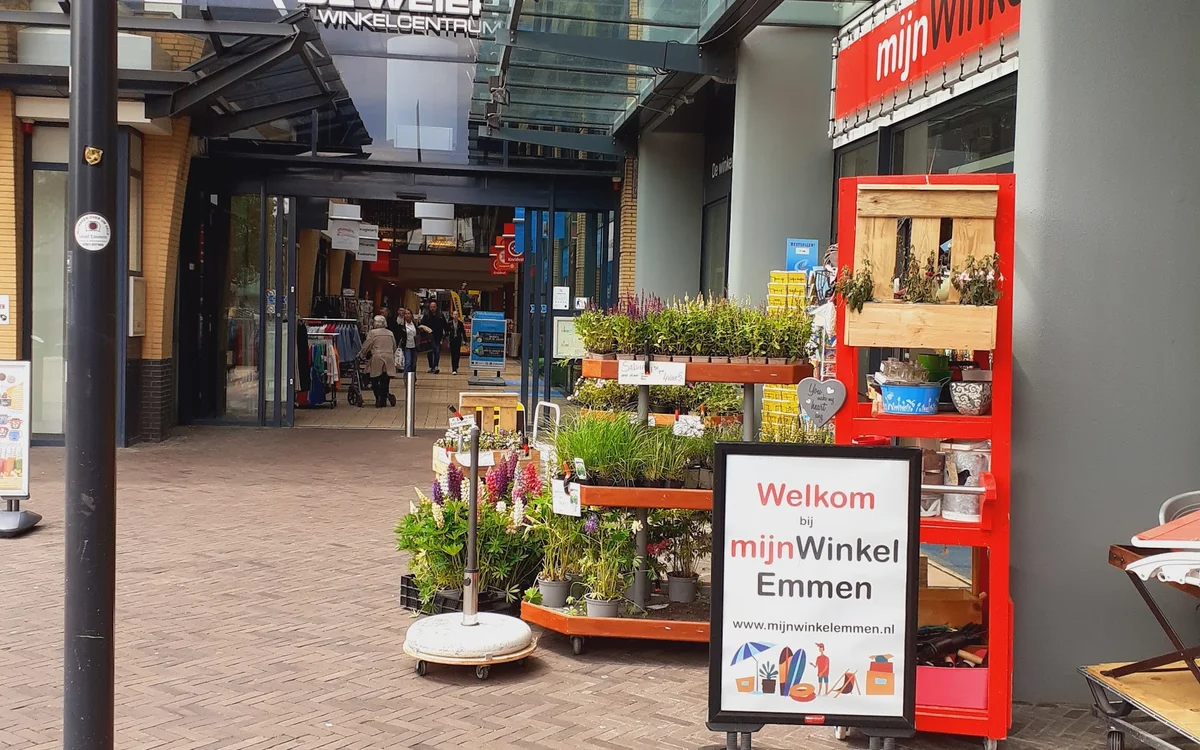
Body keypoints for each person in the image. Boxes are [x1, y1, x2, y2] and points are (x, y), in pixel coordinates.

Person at [358, 315, 397, 408]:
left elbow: (367, 345)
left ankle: (378, 398)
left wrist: (362, 354)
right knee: (385, 379)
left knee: (374, 378)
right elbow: (394, 346)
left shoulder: (372, 333)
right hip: (389, 357)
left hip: (377, 357)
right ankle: (383, 399)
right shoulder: (390, 333)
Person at [420, 300, 447, 374]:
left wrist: (444, 336)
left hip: (437, 337)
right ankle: (431, 366)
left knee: (437, 352)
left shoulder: (440, 315)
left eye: (434, 307)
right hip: (428, 337)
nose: (432, 308)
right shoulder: (426, 315)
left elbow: (445, 325)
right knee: (429, 352)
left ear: (436, 307)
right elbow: (422, 324)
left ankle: (436, 366)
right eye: (431, 307)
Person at [398, 308, 419, 377]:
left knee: (413, 364)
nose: (407, 315)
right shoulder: (402, 325)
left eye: (408, 313)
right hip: (407, 346)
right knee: (408, 363)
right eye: (405, 314)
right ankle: (406, 378)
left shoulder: (415, 324)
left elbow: (418, 333)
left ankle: (412, 378)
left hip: (414, 346)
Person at [447, 309, 466, 376]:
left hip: (458, 340)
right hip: (452, 340)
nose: (455, 316)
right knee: (453, 355)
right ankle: (454, 369)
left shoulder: (460, 323)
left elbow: (463, 332)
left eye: (456, 314)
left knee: (457, 354)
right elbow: (447, 332)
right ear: (452, 315)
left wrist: (465, 340)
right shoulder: (449, 323)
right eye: (454, 314)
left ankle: (456, 365)